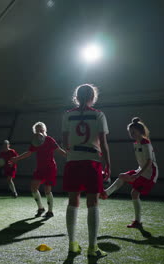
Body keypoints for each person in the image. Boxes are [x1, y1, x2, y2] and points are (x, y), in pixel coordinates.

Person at [62, 84, 110, 257]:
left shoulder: (68, 115)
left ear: (77, 96)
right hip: (92, 162)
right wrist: (108, 164)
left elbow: (65, 142)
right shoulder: (98, 115)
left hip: (73, 162)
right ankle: (93, 248)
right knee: (93, 203)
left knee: (72, 201)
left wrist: (73, 154)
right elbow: (103, 143)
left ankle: (72, 245)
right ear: (93, 97)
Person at [100, 117, 158, 228]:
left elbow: (149, 162)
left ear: (140, 131)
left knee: (133, 192)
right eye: (130, 132)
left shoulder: (146, 143)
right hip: (141, 171)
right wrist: (138, 172)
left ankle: (106, 194)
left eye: (133, 132)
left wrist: (137, 174)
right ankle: (106, 194)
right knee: (125, 181)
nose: (131, 134)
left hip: (150, 173)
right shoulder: (136, 143)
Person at [11, 122, 66, 218]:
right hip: (40, 168)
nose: (39, 132)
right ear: (35, 132)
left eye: (41, 130)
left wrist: (71, 156)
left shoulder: (49, 140)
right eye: (37, 130)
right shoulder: (35, 142)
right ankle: (41, 208)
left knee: (47, 190)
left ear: (45, 130)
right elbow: (29, 152)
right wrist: (17, 158)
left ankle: (50, 211)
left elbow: (59, 151)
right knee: (33, 187)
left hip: (50, 168)